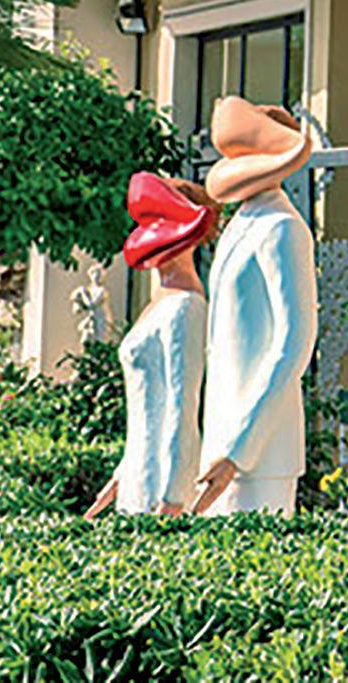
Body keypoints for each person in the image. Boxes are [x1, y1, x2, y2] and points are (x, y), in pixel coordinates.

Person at [190, 97, 318, 516]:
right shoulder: (241, 226)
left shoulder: (283, 228)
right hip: (222, 442)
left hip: (260, 455)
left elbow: (294, 343)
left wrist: (239, 448)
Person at [83, 172, 215, 516]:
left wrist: (173, 497)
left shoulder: (186, 306)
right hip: (138, 479)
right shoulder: (161, 303)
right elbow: (146, 406)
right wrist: (122, 475)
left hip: (160, 490)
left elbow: (182, 406)